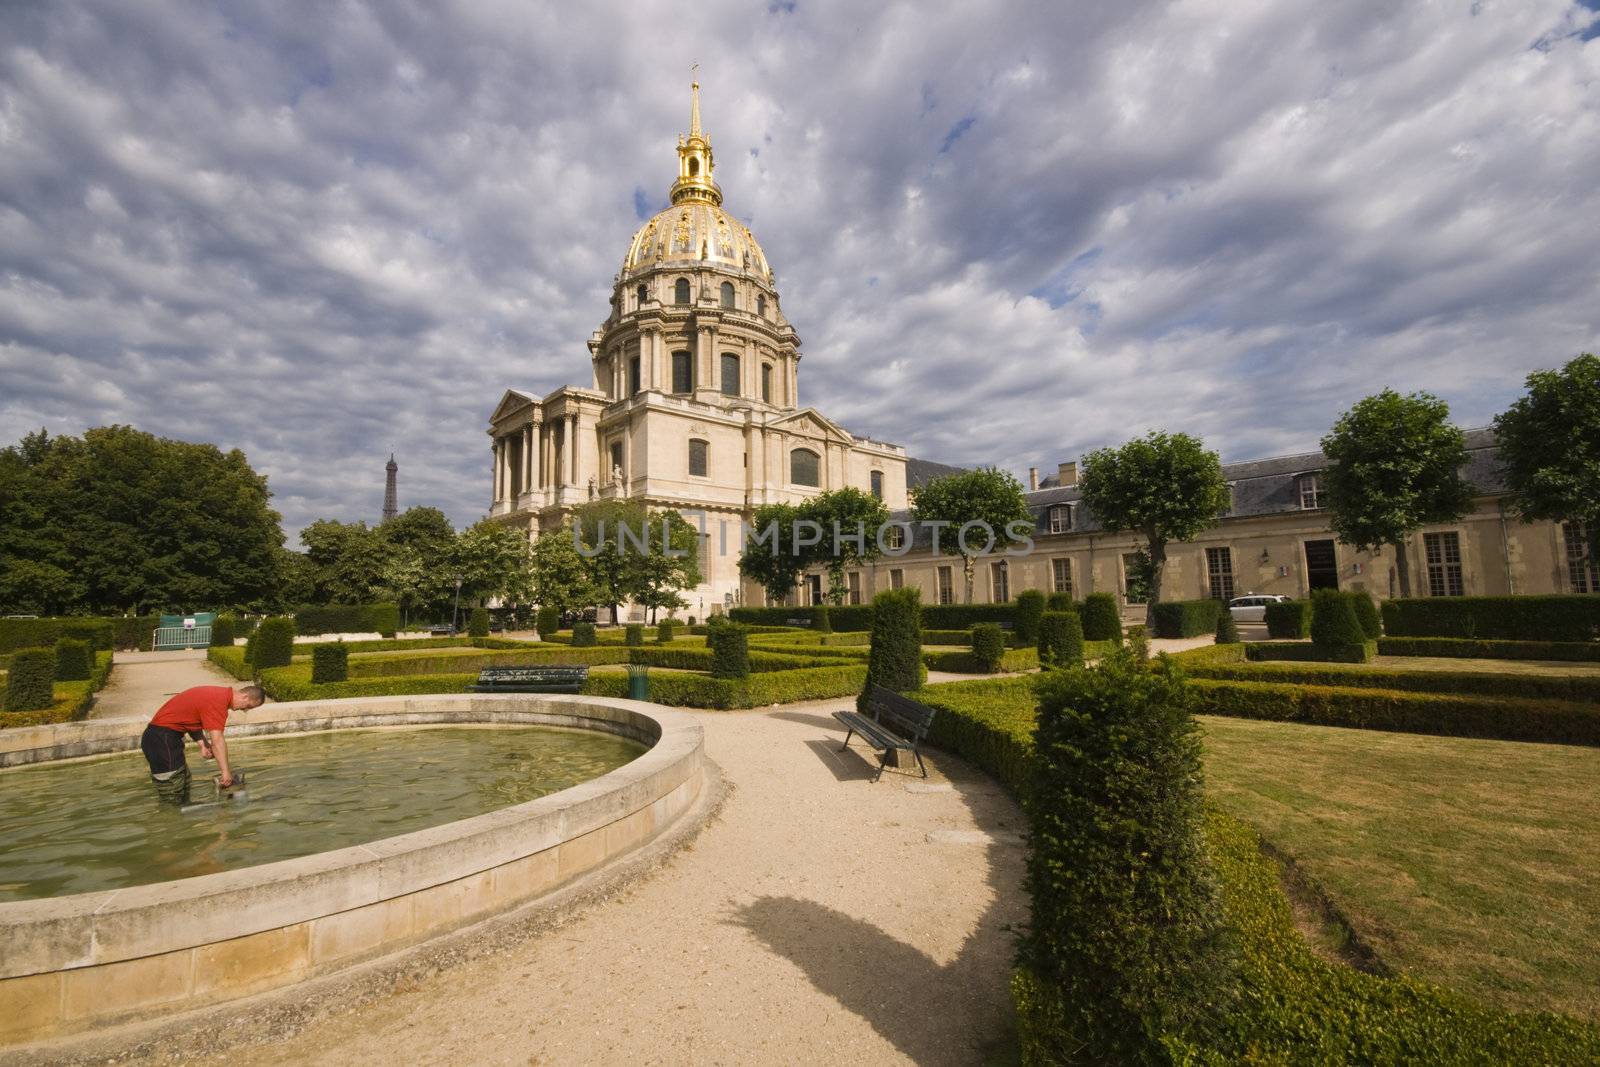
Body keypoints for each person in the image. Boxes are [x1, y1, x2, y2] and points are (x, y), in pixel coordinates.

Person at [140, 684, 264, 803]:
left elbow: (190, 720)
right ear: (245, 697)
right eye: (248, 706)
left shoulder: (216, 695)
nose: (245, 710)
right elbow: (217, 741)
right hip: (161, 740)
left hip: (164, 738)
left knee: (182, 782)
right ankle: (170, 819)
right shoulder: (218, 701)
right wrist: (226, 772)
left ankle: (179, 819)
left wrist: (202, 744)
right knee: (172, 790)